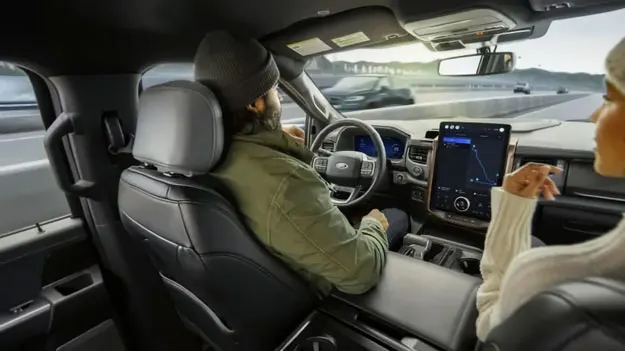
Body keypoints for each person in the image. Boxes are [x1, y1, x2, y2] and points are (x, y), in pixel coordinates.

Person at [193, 31, 409, 295]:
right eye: (274, 90)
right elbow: (361, 273)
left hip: (251, 293)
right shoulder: (285, 183)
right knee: (395, 216)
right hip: (316, 303)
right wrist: (373, 224)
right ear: (254, 104)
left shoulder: (200, 159)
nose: (280, 98)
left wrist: (276, 140)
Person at [476, 36, 625, 341]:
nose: (593, 116)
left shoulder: (544, 276)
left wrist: (510, 211)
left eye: (609, 100)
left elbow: (488, 325)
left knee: (531, 243)